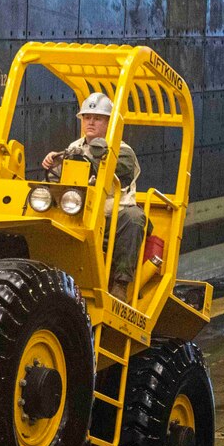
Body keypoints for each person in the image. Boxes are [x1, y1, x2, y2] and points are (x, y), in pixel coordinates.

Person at [42, 92, 148, 302]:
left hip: (112, 215)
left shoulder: (123, 151)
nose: (90, 122)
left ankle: (120, 284)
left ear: (109, 122)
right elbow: (62, 180)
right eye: (87, 117)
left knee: (134, 218)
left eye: (97, 118)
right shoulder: (73, 148)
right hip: (80, 209)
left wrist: (84, 160)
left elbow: (117, 174)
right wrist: (54, 162)